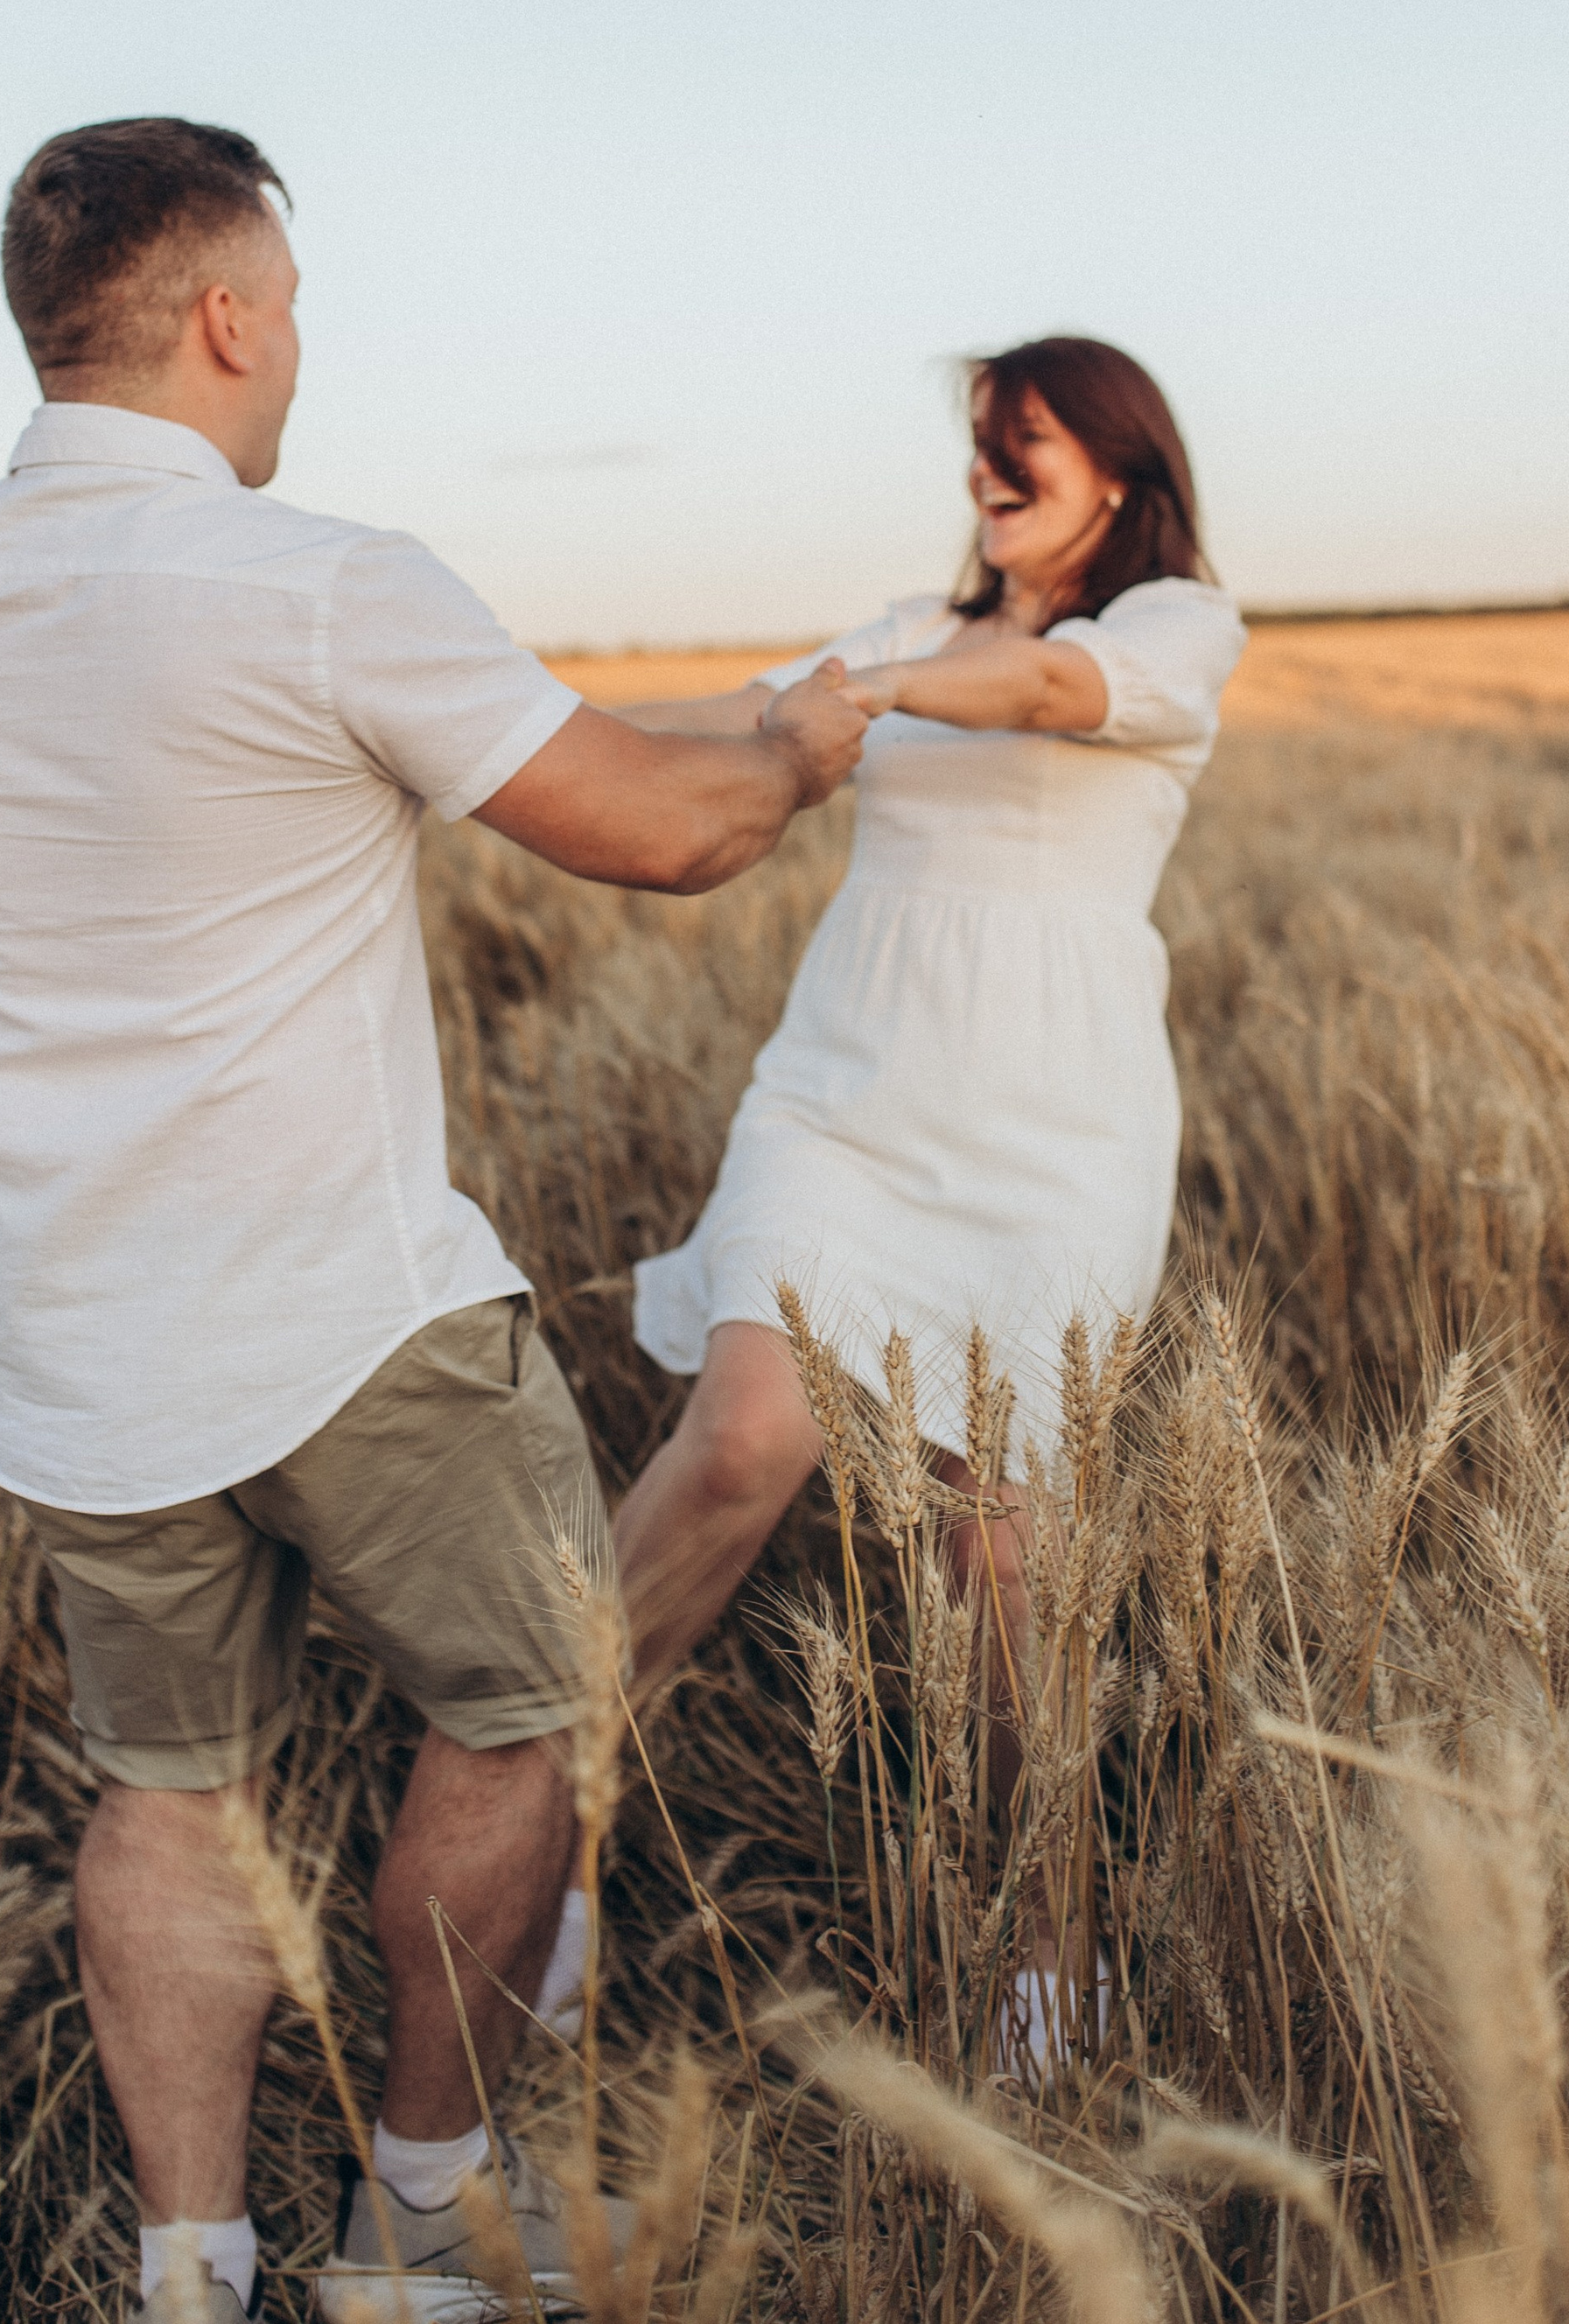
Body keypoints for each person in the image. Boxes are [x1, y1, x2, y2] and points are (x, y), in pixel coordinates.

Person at [0, 118, 872, 2324]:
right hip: (346, 1318)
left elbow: (493, 736)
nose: (300, 349)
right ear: (225, 316)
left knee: (170, 1791)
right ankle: (421, 2220)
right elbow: (664, 832)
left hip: (72, 1337)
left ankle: (191, 2266)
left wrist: (729, 714)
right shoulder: (312, 580)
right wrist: (794, 757)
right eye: (292, 306)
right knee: (534, 1701)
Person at [608, 336, 1243, 2025]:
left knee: (1006, 1553)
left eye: (1022, 442)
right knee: (742, 1442)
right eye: (977, 442)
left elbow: (1046, 696)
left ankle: (1048, 1949)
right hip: (847, 1108)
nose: (986, 471)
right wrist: (504, 733)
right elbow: (743, 719)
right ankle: (547, 1818)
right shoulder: (907, 626)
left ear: (1120, 468)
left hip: (1055, 1143)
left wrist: (877, 691)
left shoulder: (1177, 628)